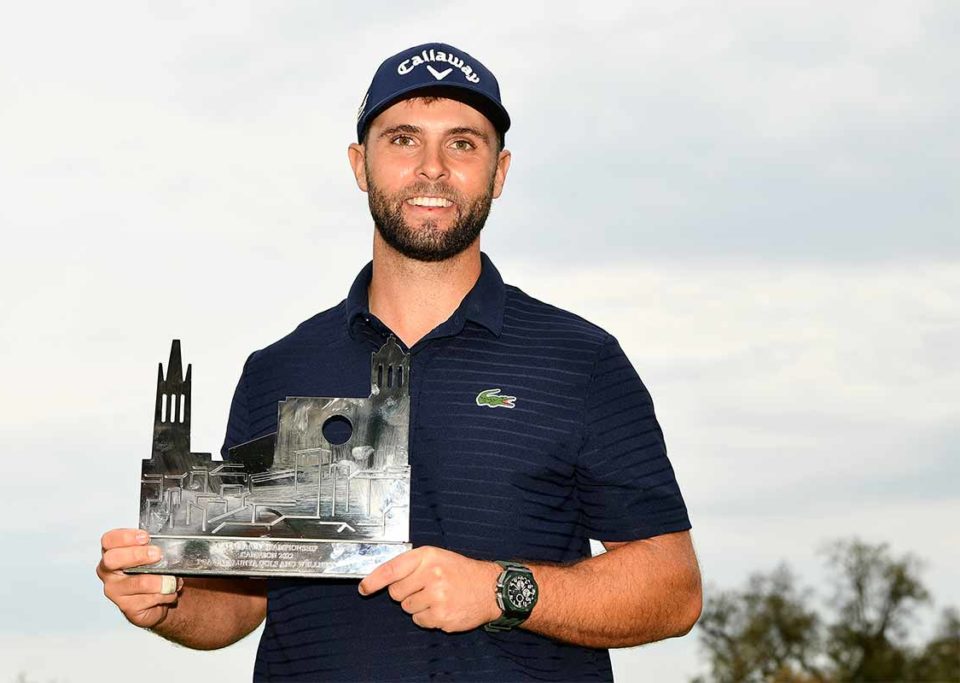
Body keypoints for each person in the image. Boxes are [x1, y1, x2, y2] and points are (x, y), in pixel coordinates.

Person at [97, 42, 702, 681]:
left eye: (463, 144)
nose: (432, 169)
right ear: (361, 164)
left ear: (499, 172)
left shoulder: (581, 361)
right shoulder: (277, 369)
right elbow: (241, 604)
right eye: (404, 140)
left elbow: (672, 589)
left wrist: (502, 591)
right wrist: (166, 601)